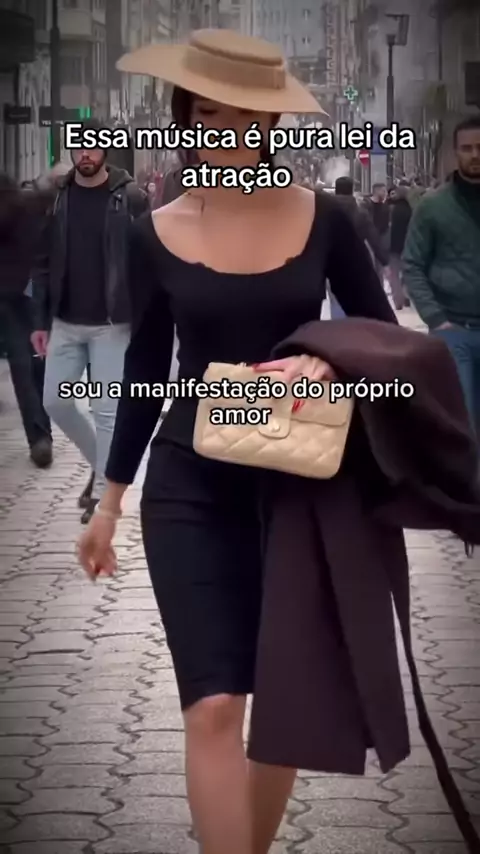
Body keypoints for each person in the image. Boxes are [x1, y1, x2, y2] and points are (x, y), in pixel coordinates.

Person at [77, 30, 397, 854]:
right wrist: (108, 504)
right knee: (216, 704)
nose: (224, 131)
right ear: (186, 117)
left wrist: (327, 362)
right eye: (207, 113)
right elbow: (146, 367)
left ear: (271, 123)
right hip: (190, 483)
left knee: (278, 707)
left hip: (296, 488)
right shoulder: (153, 230)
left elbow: (384, 340)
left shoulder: (326, 218)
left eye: (245, 116)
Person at [31, 118, 149, 523]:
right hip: (65, 320)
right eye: (79, 147)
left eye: (93, 147)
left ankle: (101, 494)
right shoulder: (56, 198)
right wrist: (40, 321)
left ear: (106, 150)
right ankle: (103, 468)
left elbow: (147, 257)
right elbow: (42, 262)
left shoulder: (129, 197)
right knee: (55, 402)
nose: (85, 154)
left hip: (112, 324)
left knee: (107, 411)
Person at [403, 114, 480, 432]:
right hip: (452, 330)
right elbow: (412, 264)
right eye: (467, 148)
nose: (474, 155)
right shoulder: (433, 206)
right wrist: (436, 319)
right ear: (455, 152)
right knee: (461, 422)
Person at [0, 173, 52, 467]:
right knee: (36, 360)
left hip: (7, 294)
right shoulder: (31, 208)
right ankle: (43, 433)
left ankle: (38, 438)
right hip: (31, 289)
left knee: (21, 365)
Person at [328, 177, 389, 319]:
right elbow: (373, 237)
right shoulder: (360, 213)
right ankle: (354, 324)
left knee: (335, 298)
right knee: (357, 297)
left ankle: (338, 325)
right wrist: (384, 261)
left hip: (331, 262)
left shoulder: (326, 211)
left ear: (336, 190)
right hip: (356, 261)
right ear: (351, 191)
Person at [388, 181, 412, 310]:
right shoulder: (410, 210)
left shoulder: (392, 209)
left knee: (394, 274)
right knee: (407, 272)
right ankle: (406, 295)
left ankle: (398, 300)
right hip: (407, 245)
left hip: (394, 245)